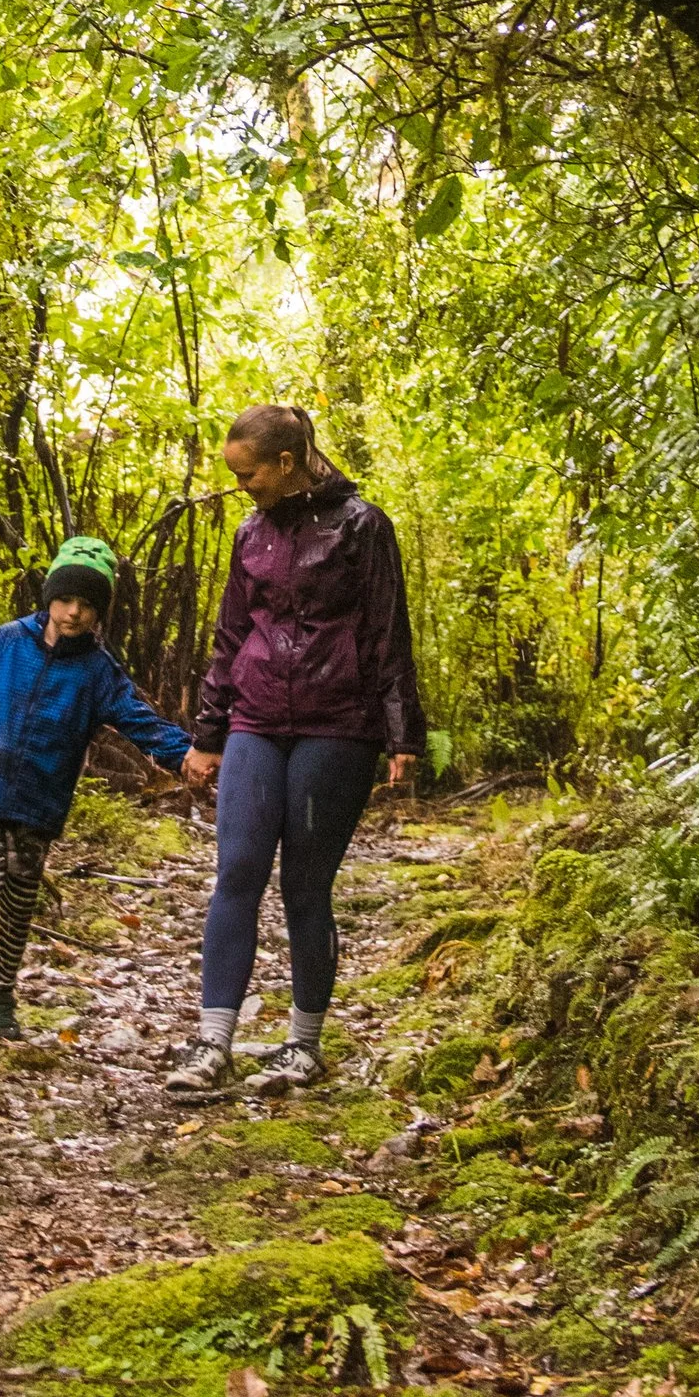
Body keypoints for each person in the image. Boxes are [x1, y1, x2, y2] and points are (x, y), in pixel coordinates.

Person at [164, 403, 424, 1095]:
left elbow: (386, 631)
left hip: (338, 722)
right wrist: (209, 733)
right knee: (237, 870)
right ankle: (211, 1044)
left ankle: (303, 1046)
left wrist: (403, 733)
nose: (240, 484)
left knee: (305, 884)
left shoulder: (363, 526)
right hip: (255, 718)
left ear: (286, 462)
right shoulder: (251, 535)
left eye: (247, 472)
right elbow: (229, 638)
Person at [0, 536, 210, 1038]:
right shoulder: (8, 641)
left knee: (20, 895)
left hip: (42, 798)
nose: (73, 612)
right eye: (65, 599)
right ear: (49, 598)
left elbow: (139, 721)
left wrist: (187, 756)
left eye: (87, 604)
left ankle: (2, 999)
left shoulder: (97, 671)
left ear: (99, 612)